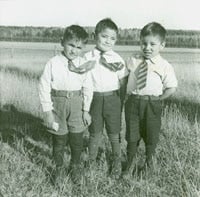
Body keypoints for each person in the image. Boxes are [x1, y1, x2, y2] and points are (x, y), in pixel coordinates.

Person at [38, 25, 94, 184]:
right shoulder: (53, 63)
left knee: (77, 139)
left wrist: (86, 110)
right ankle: (59, 169)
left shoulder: (84, 64)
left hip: (77, 104)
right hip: (58, 105)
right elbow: (43, 86)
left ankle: (75, 167)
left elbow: (88, 87)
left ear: (83, 48)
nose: (74, 50)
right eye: (71, 45)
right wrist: (48, 111)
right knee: (59, 140)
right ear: (62, 42)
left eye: (78, 47)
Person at [123, 22, 178, 177]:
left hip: (152, 103)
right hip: (133, 101)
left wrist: (159, 99)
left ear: (162, 45)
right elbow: (123, 78)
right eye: (144, 43)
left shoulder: (164, 65)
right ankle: (130, 164)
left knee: (151, 134)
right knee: (132, 134)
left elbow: (172, 87)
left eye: (152, 44)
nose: (147, 47)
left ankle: (148, 165)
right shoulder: (133, 60)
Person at [84, 18, 129, 178]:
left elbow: (123, 82)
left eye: (112, 38)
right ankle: (91, 161)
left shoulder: (117, 59)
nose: (108, 41)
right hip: (94, 99)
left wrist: (120, 101)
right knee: (94, 132)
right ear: (94, 35)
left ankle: (116, 161)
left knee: (114, 132)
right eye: (104, 36)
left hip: (113, 99)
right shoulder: (87, 57)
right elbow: (84, 82)